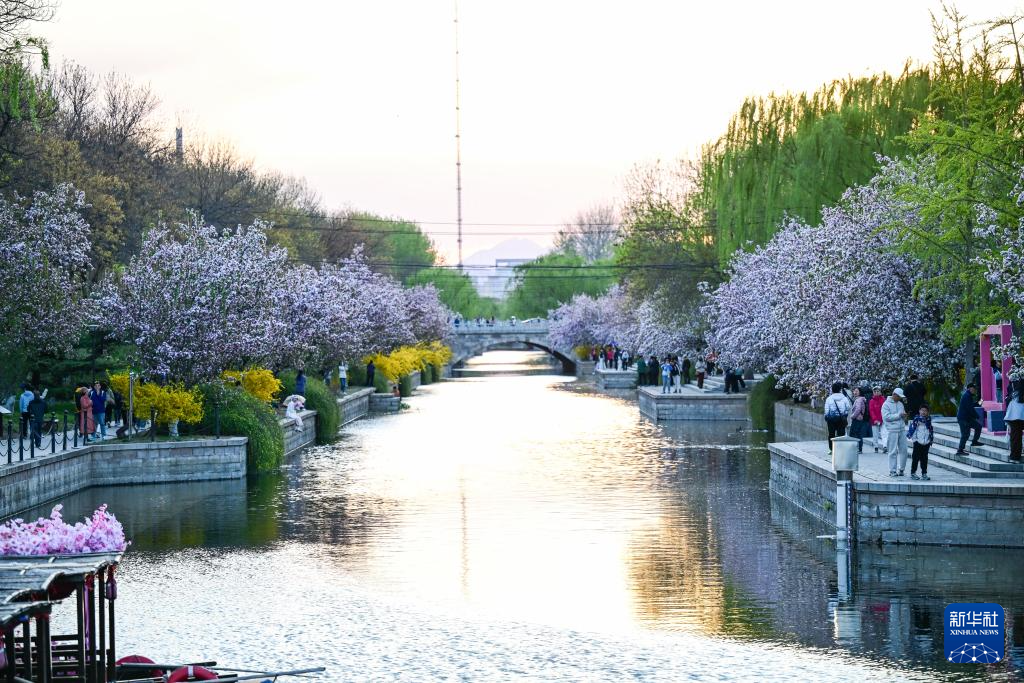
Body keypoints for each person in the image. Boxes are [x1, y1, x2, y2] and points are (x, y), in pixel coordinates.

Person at [883, 387, 908, 476]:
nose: (900, 398)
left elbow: (902, 415)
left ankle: (901, 469)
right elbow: (886, 417)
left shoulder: (900, 404)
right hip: (892, 430)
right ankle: (892, 470)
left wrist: (904, 416)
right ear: (894, 394)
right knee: (892, 451)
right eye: (898, 396)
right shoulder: (886, 405)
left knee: (904, 450)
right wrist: (899, 415)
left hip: (902, 429)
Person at [907, 404, 934, 481]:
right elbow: (913, 431)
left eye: (925, 411)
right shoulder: (916, 420)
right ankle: (913, 473)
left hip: (926, 443)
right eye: (922, 410)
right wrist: (915, 440)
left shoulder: (928, 420)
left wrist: (929, 440)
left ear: (928, 412)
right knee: (915, 458)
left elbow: (930, 431)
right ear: (919, 411)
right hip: (918, 442)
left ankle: (924, 473)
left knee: (924, 459)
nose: (923, 412)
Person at [956, 383, 982, 455]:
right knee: (965, 434)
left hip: (967, 418)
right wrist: (977, 416)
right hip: (963, 419)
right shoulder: (966, 396)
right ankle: (960, 450)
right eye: (973, 388)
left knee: (978, 427)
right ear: (969, 388)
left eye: (975, 389)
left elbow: (972, 405)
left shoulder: (968, 396)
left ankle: (974, 442)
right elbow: (970, 409)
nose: (975, 390)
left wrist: (980, 402)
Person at [848, 386, 872, 453]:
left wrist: (852, 416)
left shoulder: (859, 400)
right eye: (854, 391)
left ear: (860, 392)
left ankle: (856, 448)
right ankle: (859, 448)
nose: (855, 392)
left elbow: (858, 409)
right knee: (858, 434)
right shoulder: (862, 399)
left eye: (856, 391)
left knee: (854, 433)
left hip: (857, 418)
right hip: (860, 419)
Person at [1006, 377, 1024, 462]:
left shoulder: (1013, 394)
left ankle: (1014, 456)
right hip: (1018, 416)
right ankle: (1015, 457)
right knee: (1016, 438)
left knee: (1014, 437)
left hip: (1012, 416)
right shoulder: (1019, 393)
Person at [868, 385, 886, 453]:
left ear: (880, 392)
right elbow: (871, 410)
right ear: (873, 392)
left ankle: (885, 446)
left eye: (878, 391)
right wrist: (875, 419)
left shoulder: (883, 399)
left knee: (884, 434)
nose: (876, 392)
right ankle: (876, 446)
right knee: (875, 434)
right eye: (875, 391)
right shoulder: (871, 401)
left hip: (882, 419)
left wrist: (881, 418)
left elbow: (884, 410)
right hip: (874, 420)